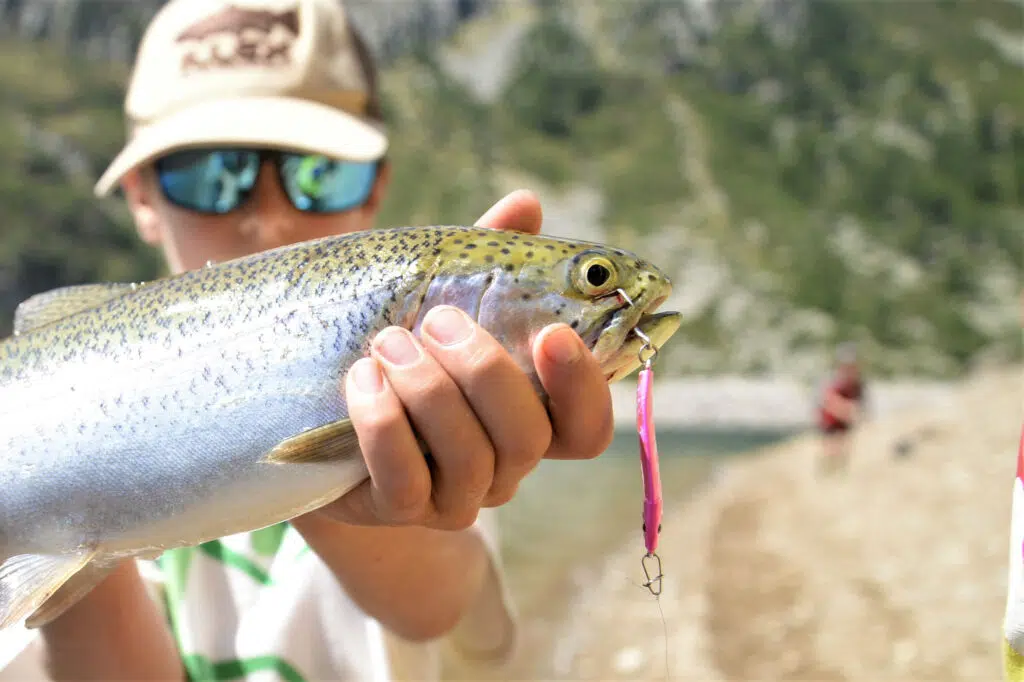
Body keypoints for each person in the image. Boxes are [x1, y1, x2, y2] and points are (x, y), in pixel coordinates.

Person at [0, 0, 616, 679]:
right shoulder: (73, 391)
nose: (267, 214)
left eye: (316, 176)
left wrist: (354, 482)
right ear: (143, 197)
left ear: (376, 186)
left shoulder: (438, 414)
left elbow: (437, 603)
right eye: (213, 176)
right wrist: (48, 497)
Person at [815, 342, 867, 474]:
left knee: (844, 447)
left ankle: (839, 473)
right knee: (831, 447)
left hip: (844, 420)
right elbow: (828, 400)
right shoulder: (833, 380)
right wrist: (847, 410)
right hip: (830, 419)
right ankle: (827, 472)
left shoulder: (857, 382)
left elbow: (860, 401)